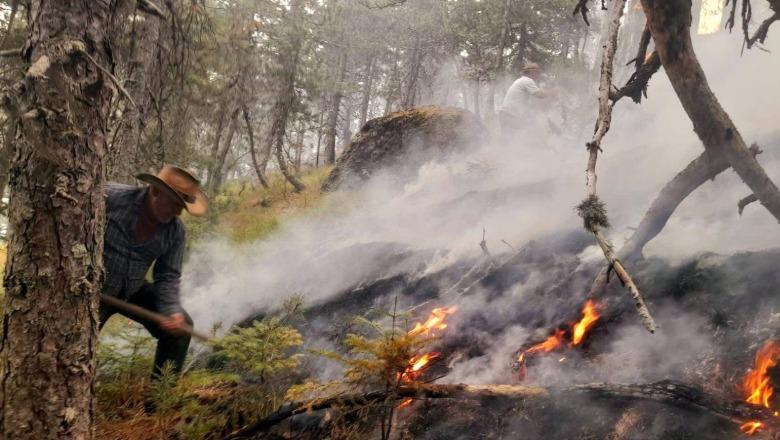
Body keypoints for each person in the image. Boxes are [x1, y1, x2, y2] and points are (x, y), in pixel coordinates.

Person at [99, 165, 208, 381]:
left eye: (182, 206)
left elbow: (167, 276)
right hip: (93, 290)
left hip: (131, 288)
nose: (178, 212)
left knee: (182, 328)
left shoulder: (175, 231)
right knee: (74, 345)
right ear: (155, 191)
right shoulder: (108, 197)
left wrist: (171, 309)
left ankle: (160, 399)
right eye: (175, 204)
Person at [498, 62, 559, 144]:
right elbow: (539, 94)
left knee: (507, 140)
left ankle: (500, 154)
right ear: (532, 72)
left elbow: (531, 102)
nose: (538, 75)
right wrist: (553, 92)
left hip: (505, 114)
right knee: (532, 130)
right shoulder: (527, 81)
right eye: (537, 72)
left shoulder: (521, 80)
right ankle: (537, 149)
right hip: (510, 115)